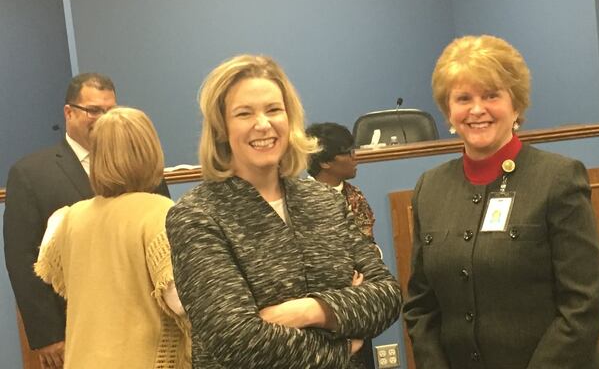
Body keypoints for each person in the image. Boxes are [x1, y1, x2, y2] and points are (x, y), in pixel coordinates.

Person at [165, 54, 402, 368]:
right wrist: (342, 346)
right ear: (221, 128)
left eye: (274, 110)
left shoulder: (323, 200)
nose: (263, 124)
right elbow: (237, 339)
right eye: (244, 113)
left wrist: (311, 310)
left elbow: (386, 296)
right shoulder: (197, 216)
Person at [403, 35, 599, 368]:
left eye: (491, 95)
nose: (477, 109)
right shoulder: (430, 188)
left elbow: (583, 305)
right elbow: (421, 306)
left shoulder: (559, 178)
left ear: (516, 105)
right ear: (448, 111)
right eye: (463, 98)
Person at [3, 73, 170, 369]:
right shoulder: (30, 174)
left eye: (111, 110)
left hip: (146, 328)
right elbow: (22, 258)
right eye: (94, 110)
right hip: (75, 333)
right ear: (69, 112)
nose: (104, 119)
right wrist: (47, 334)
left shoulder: (144, 168)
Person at [34, 107, 189, 369]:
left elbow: (54, 276)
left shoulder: (67, 219)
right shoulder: (162, 214)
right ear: (151, 152)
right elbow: (181, 302)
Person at [306, 122, 379, 369]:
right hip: (321, 315)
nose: (355, 157)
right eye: (348, 152)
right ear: (325, 162)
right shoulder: (300, 201)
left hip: (360, 306)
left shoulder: (355, 196)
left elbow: (368, 248)